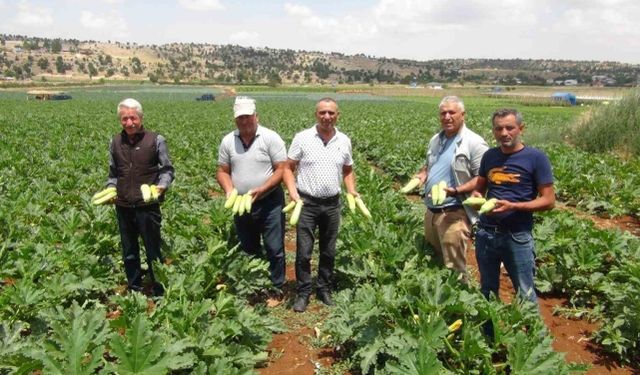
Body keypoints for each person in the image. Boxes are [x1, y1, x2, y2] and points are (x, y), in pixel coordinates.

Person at [471, 108, 555, 305]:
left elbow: (549, 200)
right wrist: (476, 199)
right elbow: (479, 189)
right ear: (494, 131)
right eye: (499, 129)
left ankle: (533, 335)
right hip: (486, 233)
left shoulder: (536, 158)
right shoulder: (489, 156)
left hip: (517, 235)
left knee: (525, 293)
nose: (504, 133)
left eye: (510, 128)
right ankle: (489, 334)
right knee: (487, 290)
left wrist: (513, 206)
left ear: (520, 129)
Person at [283, 97, 359, 312]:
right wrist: (292, 191)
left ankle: (324, 288)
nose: (327, 117)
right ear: (316, 114)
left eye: (331, 113)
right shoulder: (302, 138)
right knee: (304, 251)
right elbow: (288, 167)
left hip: (332, 204)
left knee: (328, 250)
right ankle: (303, 292)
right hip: (306, 203)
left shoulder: (344, 140)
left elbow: (348, 169)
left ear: (338, 115)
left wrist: (351, 189)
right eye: (323, 113)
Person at [216, 96, 287, 301]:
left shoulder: (270, 138)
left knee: (274, 247)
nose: (244, 121)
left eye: (248, 117)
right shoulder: (228, 140)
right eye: (240, 118)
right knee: (248, 247)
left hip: (270, 201)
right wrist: (229, 189)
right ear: (235, 120)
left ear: (256, 116)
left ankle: (276, 288)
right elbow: (222, 171)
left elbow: (282, 170)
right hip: (242, 203)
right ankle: (254, 286)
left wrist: (262, 189)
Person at [411, 96, 488, 279]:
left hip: (454, 212)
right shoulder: (436, 140)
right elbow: (430, 165)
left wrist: (458, 190)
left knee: (454, 268)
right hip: (432, 211)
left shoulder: (474, 143)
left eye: (451, 112)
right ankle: (438, 302)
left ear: (463, 115)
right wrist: (422, 174)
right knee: (435, 261)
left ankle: (458, 304)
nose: (447, 117)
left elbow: (483, 178)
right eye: (443, 113)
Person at [106, 98, 175, 297]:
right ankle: (134, 288)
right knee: (129, 251)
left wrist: (161, 186)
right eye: (124, 119)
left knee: (153, 250)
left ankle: (159, 291)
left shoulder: (156, 140)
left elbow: (167, 170)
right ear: (120, 120)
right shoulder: (115, 142)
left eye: (133, 118)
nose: (129, 123)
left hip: (148, 206)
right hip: (124, 205)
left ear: (141, 118)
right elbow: (113, 174)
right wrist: (111, 189)